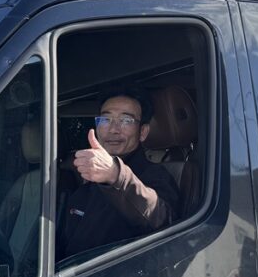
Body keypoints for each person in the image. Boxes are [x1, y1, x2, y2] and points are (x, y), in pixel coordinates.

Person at [57, 88, 180, 261]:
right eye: (106, 119)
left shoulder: (155, 176)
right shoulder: (85, 186)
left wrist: (116, 175)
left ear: (143, 132)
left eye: (126, 120)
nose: (113, 129)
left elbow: (162, 219)